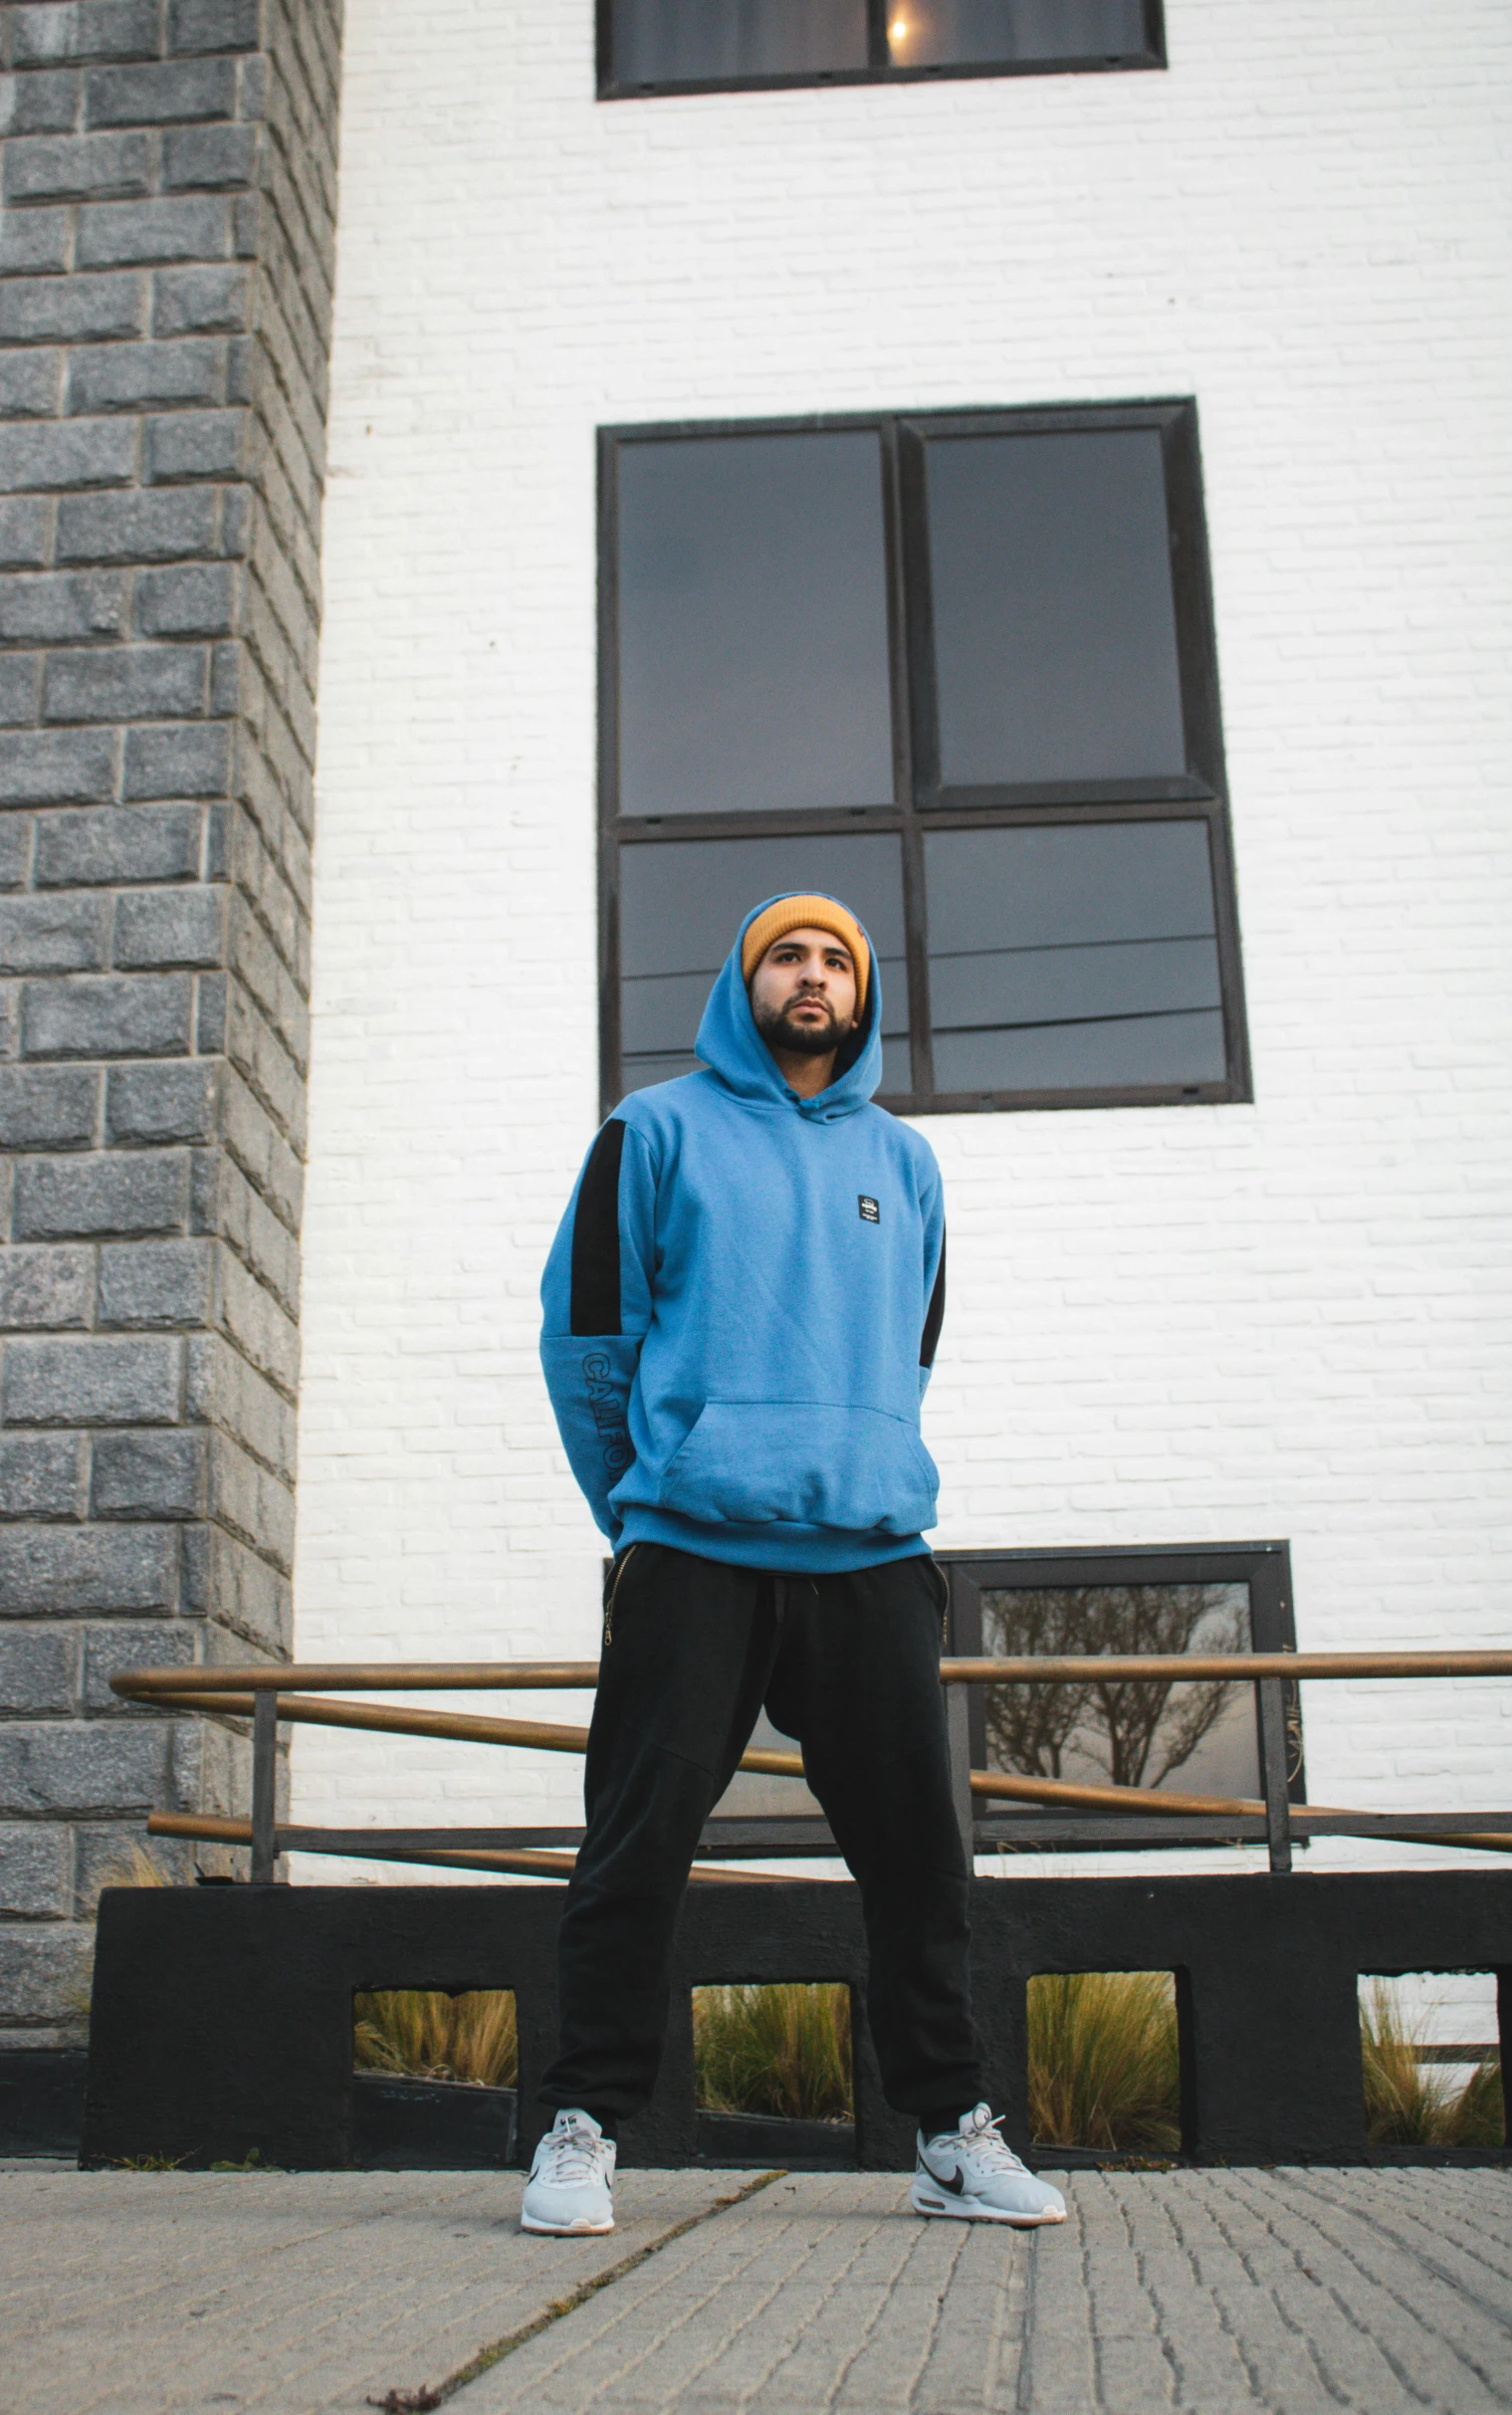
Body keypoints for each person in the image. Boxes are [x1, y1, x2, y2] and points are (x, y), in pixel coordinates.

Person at [523, 893, 1065, 2238]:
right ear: (742, 979)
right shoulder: (652, 1133)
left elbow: (911, 1346)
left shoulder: (907, 1161)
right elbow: (587, 1340)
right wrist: (646, 1504)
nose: (810, 975)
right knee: (635, 1847)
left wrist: (857, 1458)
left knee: (916, 1860)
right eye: (787, 955)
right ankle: (582, 2128)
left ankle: (946, 2132)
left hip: (870, 1552)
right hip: (693, 1548)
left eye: (834, 958)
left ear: (862, 992)